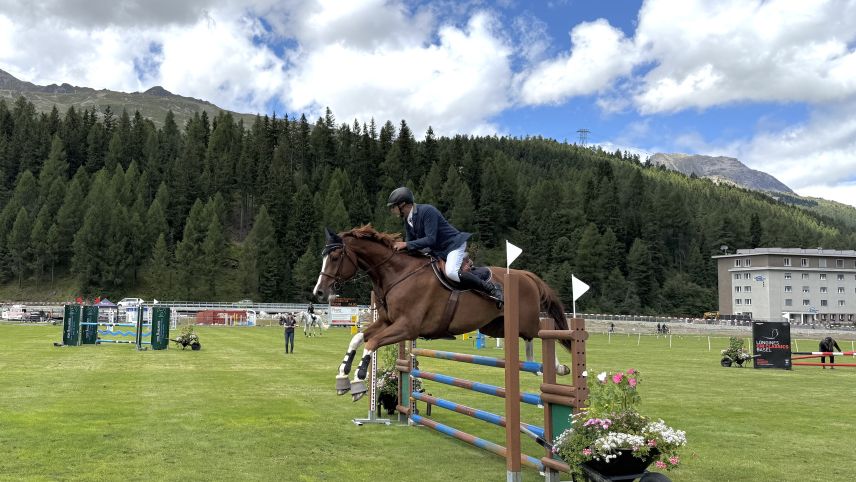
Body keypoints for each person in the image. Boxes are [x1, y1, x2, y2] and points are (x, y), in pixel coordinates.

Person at [386, 186, 503, 307]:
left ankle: (492, 288)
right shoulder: (408, 220)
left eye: (394, 207)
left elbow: (430, 239)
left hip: (453, 245)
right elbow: (411, 243)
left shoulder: (427, 211)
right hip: (439, 250)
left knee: (451, 272)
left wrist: (406, 244)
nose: (393, 210)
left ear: (403, 204)